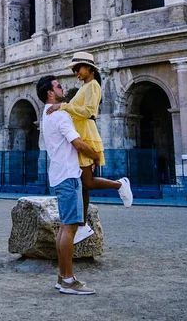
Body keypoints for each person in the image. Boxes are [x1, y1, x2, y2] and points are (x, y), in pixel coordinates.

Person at [46, 52, 133, 244]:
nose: (76, 71)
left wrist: (64, 106)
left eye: (79, 68)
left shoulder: (93, 86)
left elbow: (89, 111)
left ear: (90, 68)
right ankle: (83, 225)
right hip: (81, 133)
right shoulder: (85, 86)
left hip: (87, 134)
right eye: (74, 69)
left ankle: (120, 184)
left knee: (87, 183)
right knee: (82, 185)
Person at [37, 74, 103, 295]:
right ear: (50, 93)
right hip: (68, 176)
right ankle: (67, 280)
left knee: (66, 227)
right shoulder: (60, 116)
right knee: (69, 228)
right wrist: (95, 156)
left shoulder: (47, 114)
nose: (62, 87)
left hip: (59, 173)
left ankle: (63, 276)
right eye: (58, 86)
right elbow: (77, 143)